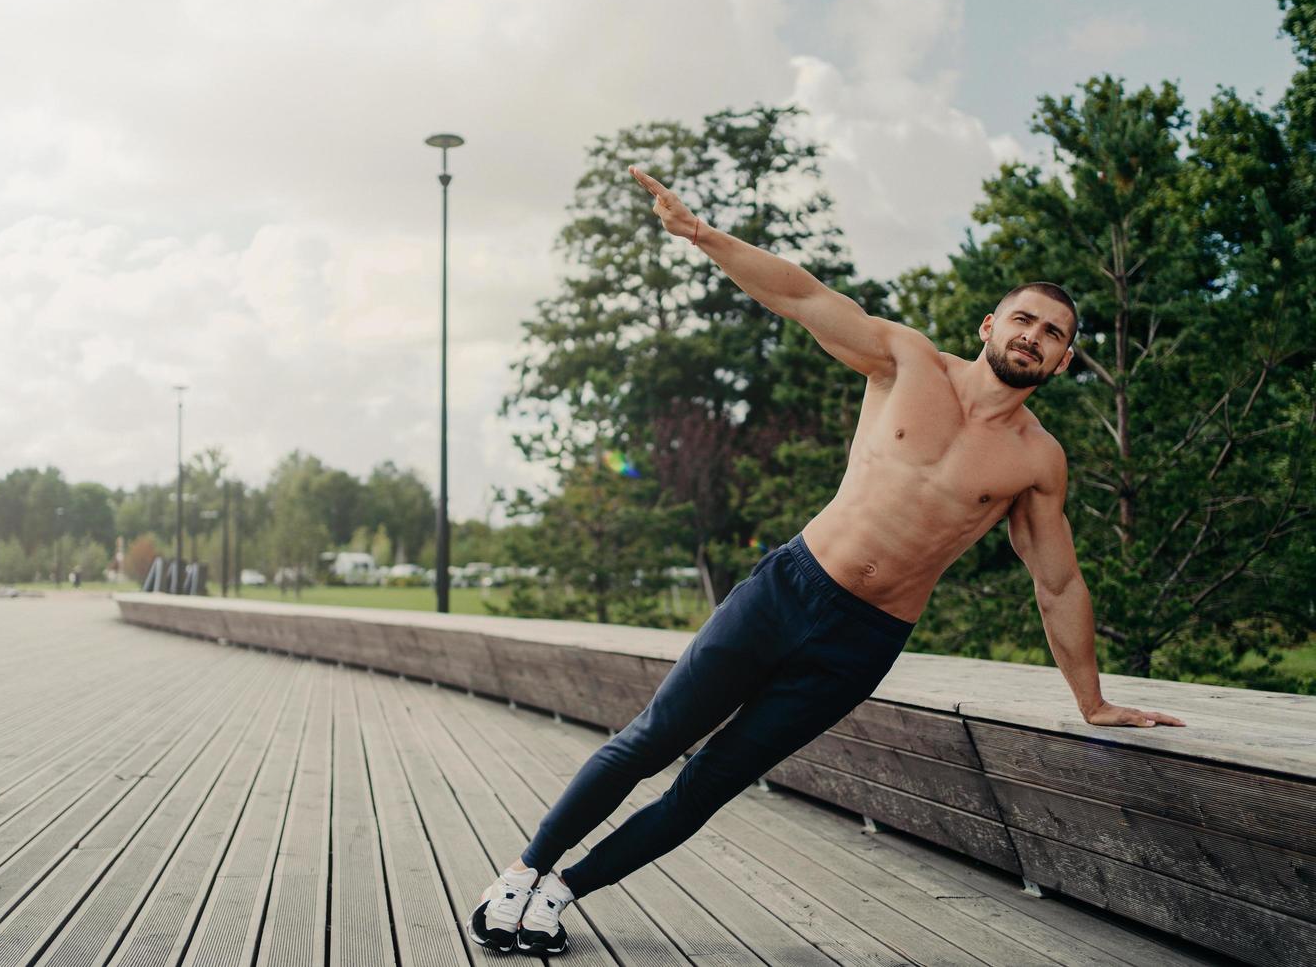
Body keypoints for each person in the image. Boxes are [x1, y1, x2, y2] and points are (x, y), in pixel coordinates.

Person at [467, 165, 1186, 957]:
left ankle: (563, 894)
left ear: (1060, 362)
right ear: (988, 325)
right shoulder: (907, 363)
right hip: (788, 589)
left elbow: (1056, 583)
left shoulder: (1036, 461)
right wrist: (702, 235)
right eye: (1023, 320)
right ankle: (522, 871)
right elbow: (802, 294)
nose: (1033, 336)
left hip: (860, 644)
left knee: (710, 785)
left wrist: (1091, 702)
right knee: (650, 742)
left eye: (1051, 334)